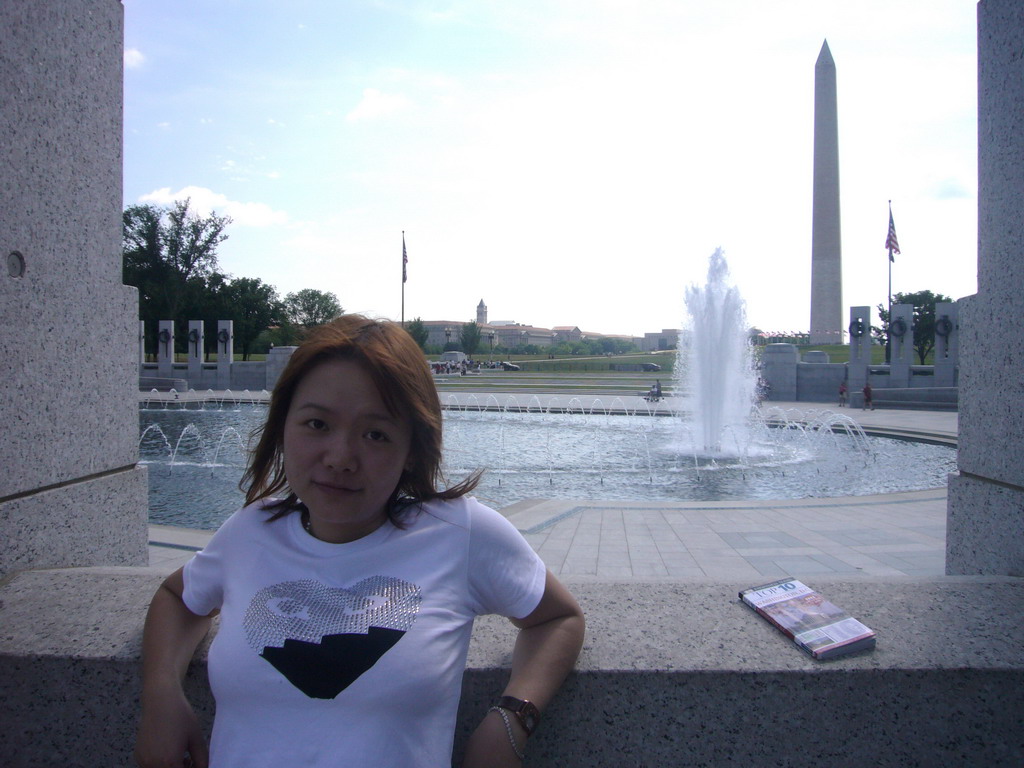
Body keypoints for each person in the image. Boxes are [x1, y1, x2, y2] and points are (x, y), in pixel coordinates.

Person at [134, 315, 585, 768]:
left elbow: (558, 619)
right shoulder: (250, 531)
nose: (340, 457)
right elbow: (178, 597)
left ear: (412, 449)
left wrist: (511, 720)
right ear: (283, 426)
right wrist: (162, 697)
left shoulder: (460, 533)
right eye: (316, 424)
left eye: (375, 434)